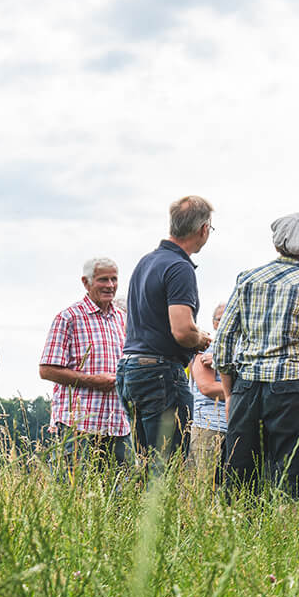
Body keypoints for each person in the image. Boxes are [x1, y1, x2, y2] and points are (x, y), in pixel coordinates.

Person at [213, 213, 299, 497]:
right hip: (294, 390)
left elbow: (224, 340)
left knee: (240, 479)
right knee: (295, 479)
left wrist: (231, 393)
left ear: (276, 243)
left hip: (247, 388)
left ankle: (239, 523)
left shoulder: (247, 279)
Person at [118, 195, 215, 475]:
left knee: (146, 463)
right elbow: (182, 331)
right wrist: (202, 339)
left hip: (131, 370)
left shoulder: (146, 262)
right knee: (166, 468)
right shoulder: (179, 267)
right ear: (203, 229)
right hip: (160, 374)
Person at [38, 257, 131, 469]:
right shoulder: (68, 318)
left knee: (121, 488)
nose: (110, 285)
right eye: (103, 279)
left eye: (114, 279)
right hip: (78, 425)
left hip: (117, 423)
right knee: (72, 487)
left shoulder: (122, 319)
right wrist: (93, 381)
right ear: (86, 282)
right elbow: (47, 370)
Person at [189, 304, 228, 473]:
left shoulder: (242, 350)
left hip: (236, 427)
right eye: (222, 318)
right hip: (210, 426)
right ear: (214, 323)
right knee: (205, 482)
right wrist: (244, 391)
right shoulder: (207, 348)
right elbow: (207, 387)